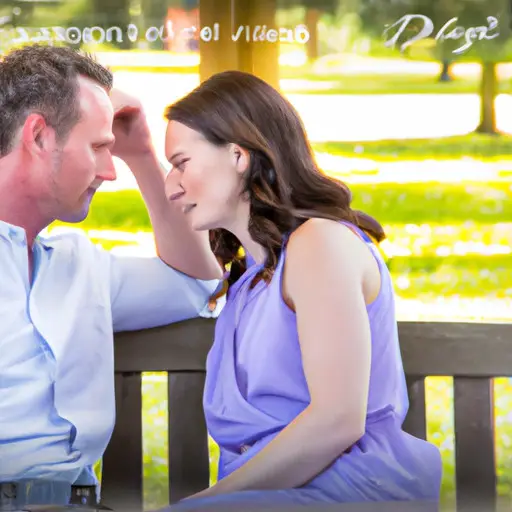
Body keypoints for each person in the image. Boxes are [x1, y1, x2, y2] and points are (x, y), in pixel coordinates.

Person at [159, 70, 442, 510]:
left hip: (345, 491)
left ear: (238, 155)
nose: (171, 185)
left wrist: (200, 504)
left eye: (181, 163)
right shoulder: (250, 276)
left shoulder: (319, 244)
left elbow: (337, 421)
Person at [0, 45, 223, 509]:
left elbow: (196, 283)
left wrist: (142, 154)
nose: (109, 171)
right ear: (39, 136)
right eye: (100, 147)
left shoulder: (81, 266)